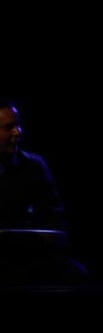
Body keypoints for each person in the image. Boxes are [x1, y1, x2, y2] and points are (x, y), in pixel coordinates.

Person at [0, 98, 89, 285]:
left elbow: (54, 219)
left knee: (76, 274)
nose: (17, 132)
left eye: (18, 125)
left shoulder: (34, 166)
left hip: (30, 255)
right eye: (9, 127)